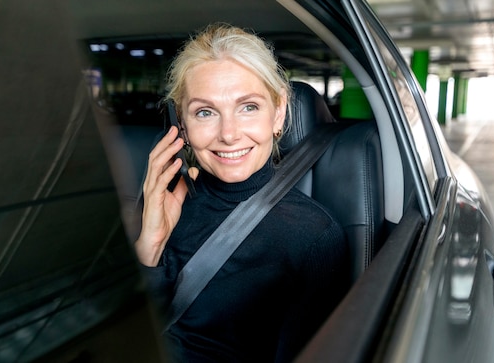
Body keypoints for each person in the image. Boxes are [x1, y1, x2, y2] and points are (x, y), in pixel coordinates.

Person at [135, 23, 351, 362]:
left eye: (248, 107)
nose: (229, 134)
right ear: (183, 125)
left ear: (278, 112)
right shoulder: (162, 204)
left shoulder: (314, 236)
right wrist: (150, 247)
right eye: (205, 112)